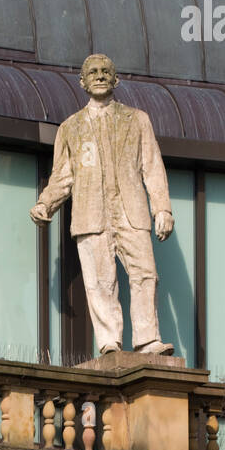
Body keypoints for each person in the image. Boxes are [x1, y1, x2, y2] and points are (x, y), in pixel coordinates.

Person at [30, 52, 175, 358]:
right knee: (99, 281)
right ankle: (109, 341)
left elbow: (152, 167)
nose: (99, 75)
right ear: (82, 82)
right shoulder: (71, 127)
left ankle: (148, 340)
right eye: (92, 71)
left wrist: (162, 208)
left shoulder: (137, 120)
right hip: (91, 215)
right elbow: (63, 175)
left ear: (116, 79)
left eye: (105, 71)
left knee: (145, 274)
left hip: (131, 211)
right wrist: (46, 203)